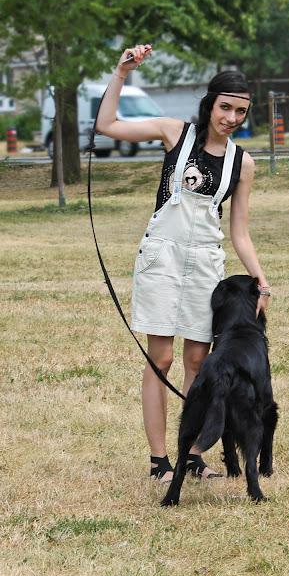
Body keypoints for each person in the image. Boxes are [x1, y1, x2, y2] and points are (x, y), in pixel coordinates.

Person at [97, 44, 271, 483]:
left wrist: (260, 282)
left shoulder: (242, 163)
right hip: (162, 256)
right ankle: (160, 462)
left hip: (206, 265)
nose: (231, 117)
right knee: (162, 356)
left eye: (240, 111)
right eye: (225, 107)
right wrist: (122, 73)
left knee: (199, 359)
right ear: (210, 104)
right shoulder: (176, 133)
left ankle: (192, 454)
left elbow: (240, 233)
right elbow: (107, 125)